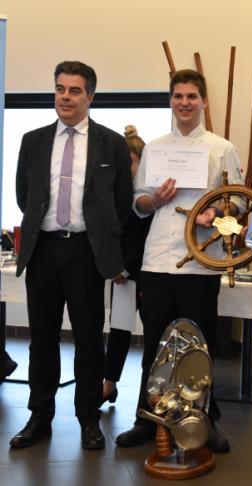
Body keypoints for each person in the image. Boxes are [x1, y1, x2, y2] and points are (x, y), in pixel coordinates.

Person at [115, 69, 242, 452]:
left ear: (203, 101)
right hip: (156, 261)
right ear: (171, 101)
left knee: (198, 346)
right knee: (154, 344)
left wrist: (214, 215)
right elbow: (137, 204)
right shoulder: (154, 147)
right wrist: (154, 200)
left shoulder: (223, 148)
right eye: (177, 96)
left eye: (191, 96)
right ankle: (146, 418)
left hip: (200, 261)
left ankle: (202, 422)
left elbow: (237, 203)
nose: (184, 103)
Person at [10, 61, 132, 450]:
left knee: (88, 340)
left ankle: (88, 419)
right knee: (41, 340)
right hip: (43, 249)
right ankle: (39, 416)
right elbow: (23, 193)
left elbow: (121, 201)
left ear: (90, 96)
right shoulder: (33, 140)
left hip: (86, 251)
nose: (65, 96)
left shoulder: (111, 142)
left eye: (74, 90)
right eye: (60, 88)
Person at [102, 125, 152, 404]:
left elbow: (147, 240)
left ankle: (151, 393)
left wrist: (126, 268)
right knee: (119, 328)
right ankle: (109, 383)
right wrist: (114, 267)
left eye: (130, 162)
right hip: (120, 272)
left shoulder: (148, 199)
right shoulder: (113, 194)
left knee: (152, 332)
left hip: (143, 273)